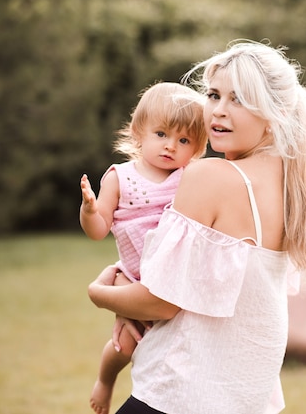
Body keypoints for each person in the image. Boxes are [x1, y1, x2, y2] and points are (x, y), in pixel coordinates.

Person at [88, 40, 306, 414]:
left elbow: (160, 301)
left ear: (275, 112)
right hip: (247, 398)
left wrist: (101, 292)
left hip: (178, 394)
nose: (218, 111)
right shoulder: (295, 183)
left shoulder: (211, 177)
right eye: (214, 95)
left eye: (239, 99)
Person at [80, 81, 207, 414]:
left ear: (196, 148)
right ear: (139, 131)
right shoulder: (120, 177)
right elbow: (98, 231)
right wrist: (90, 211)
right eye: (162, 134)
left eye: (183, 140)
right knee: (124, 345)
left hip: (171, 280)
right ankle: (106, 381)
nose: (170, 146)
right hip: (134, 277)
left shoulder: (188, 177)